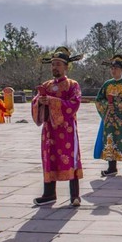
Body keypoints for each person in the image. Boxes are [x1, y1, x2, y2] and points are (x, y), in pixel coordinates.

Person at [32, 47, 84, 206]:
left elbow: (74, 103)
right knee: (49, 158)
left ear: (66, 66)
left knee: (70, 158)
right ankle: (49, 194)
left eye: (58, 64)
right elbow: (36, 102)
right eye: (53, 64)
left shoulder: (72, 85)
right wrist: (39, 102)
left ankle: (74, 195)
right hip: (49, 131)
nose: (55, 67)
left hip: (66, 129)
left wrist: (53, 102)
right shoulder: (46, 85)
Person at [94, 55, 122, 177]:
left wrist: (117, 105)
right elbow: (99, 100)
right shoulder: (107, 84)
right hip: (110, 118)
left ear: (121, 69)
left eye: (116, 68)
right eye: (112, 68)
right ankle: (112, 167)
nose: (113, 70)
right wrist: (108, 105)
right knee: (110, 139)